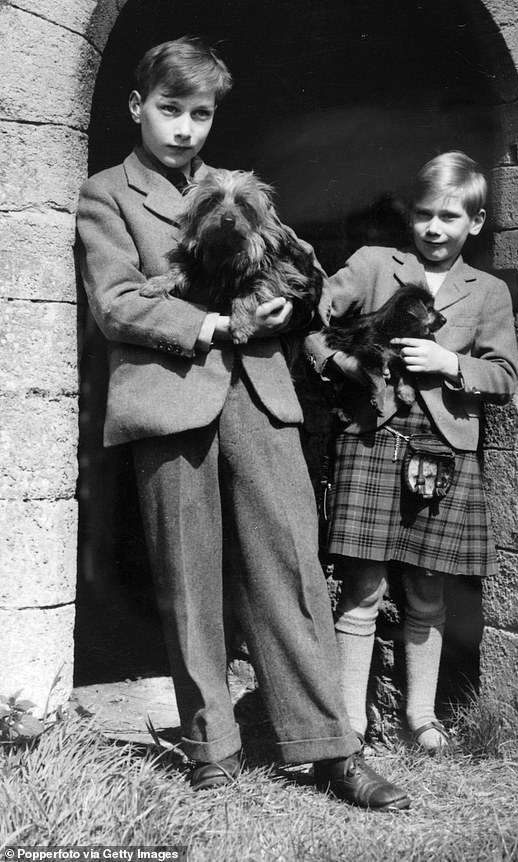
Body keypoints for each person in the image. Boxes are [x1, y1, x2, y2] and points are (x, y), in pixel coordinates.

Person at [76, 35, 410, 809]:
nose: (186, 129)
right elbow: (117, 303)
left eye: (200, 114)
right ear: (137, 107)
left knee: (291, 566)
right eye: (170, 110)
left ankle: (330, 748)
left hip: (258, 393)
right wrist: (220, 326)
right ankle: (212, 749)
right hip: (169, 399)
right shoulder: (107, 195)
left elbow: (294, 273)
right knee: (189, 579)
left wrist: (283, 309)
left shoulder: (233, 188)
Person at [305, 151, 518, 754]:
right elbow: (311, 316)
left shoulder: (489, 292)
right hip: (372, 440)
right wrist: (342, 363)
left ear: (474, 224)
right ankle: (351, 721)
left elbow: (504, 376)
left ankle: (419, 719)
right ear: (410, 217)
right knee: (363, 587)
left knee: (426, 591)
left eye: (450, 217)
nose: (434, 227)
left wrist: (451, 363)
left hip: (445, 450)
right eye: (424, 214)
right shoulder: (375, 265)